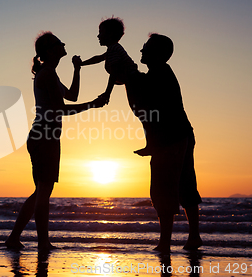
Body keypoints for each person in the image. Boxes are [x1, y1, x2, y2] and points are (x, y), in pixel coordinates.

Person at [5, 32, 106, 252]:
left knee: (40, 192)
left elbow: (72, 96)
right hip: (45, 136)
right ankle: (43, 244)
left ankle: (15, 238)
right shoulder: (47, 74)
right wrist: (93, 105)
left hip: (43, 136)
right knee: (43, 192)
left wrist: (77, 70)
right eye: (60, 43)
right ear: (50, 50)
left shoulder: (50, 73)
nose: (64, 44)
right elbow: (60, 110)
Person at [126, 33, 202, 252]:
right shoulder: (160, 73)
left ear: (158, 54)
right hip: (181, 135)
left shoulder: (158, 74)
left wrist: (129, 73)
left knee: (163, 188)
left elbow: (141, 97)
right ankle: (193, 237)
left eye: (146, 48)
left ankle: (165, 243)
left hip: (172, 140)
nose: (141, 51)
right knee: (185, 186)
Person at [80, 17, 138, 102]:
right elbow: (98, 58)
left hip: (135, 83)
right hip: (133, 82)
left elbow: (114, 73)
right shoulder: (114, 49)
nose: (98, 36)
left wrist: (107, 93)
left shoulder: (113, 50)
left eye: (101, 32)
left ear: (110, 34)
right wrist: (82, 63)